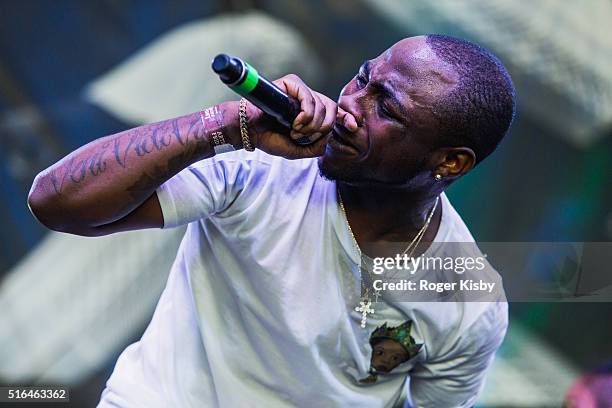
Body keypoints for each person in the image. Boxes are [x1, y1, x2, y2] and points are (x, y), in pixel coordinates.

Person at [28, 34, 516, 407]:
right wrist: (227, 123)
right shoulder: (263, 161)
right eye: (363, 79)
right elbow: (56, 202)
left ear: (451, 163)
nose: (350, 106)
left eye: (384, 107)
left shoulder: (469, 301)